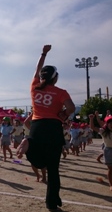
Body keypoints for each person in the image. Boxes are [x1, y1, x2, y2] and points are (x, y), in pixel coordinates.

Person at [17, 45, 75, 211]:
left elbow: (37, 69)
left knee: (38, 159)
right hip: (53, 128)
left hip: (37, 126)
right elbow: (71, 108)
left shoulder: (35, 86)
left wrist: (44, 53)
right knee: (53, 169)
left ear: (42, 77)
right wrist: (63, 115)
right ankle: (51, 202)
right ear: (55, 78)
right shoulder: (61, 92)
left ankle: (28, 143)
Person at [89, 112, 112, 191]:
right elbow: (93, 127)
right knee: (110, 169)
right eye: (110, 123)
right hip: (108, 150)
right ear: (107, 124)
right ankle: (111, 184)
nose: (111, 125)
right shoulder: (104, 132)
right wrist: (91, 119)